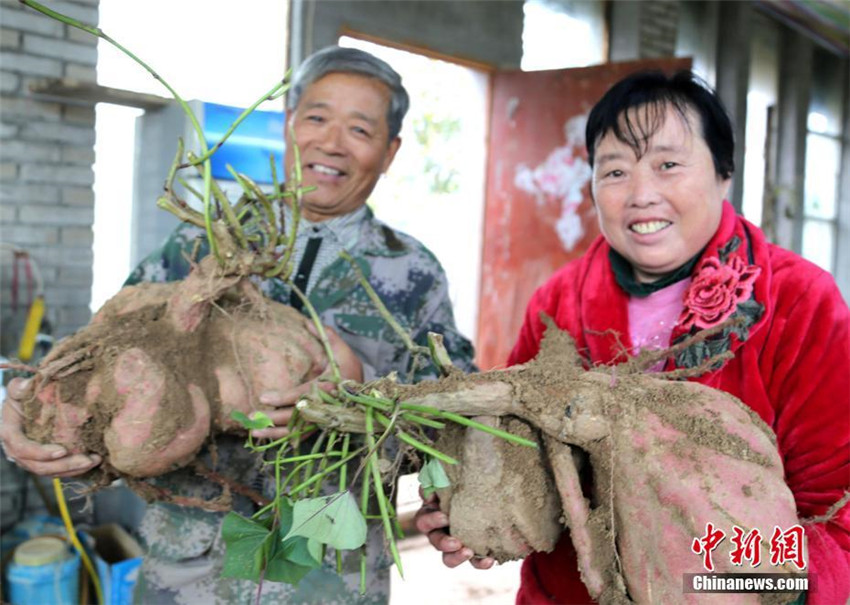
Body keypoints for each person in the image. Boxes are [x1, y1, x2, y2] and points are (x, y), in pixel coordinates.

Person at [0, 46, 475, 604]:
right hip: (188, 569)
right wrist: (29, 404)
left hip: (327, 577)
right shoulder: (200, 241)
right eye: (317, 118)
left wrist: (359, 392)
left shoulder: (413, 273)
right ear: (289, 124)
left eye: (360, 128)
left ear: (390, 151)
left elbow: (454, 417)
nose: (331, 142)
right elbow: (98, 355)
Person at [416, 70, 849, 604]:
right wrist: (484, 513)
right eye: (615, 170)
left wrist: (732, 584)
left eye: (668, 165)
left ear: (723, 174)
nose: (642, 194)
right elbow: (525, 470)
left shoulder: (800, 301)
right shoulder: (557, 304)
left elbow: (837, 509)